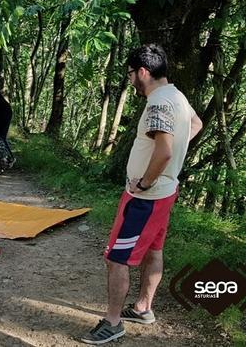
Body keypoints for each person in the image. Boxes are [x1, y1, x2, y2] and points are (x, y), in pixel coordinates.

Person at [81, 44, 203, 345]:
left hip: (146, 199)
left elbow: (162, 152)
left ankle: (113, 323)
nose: (131, 79)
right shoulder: (177, 95)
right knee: (153, 250)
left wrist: (145, 182)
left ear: (143, 72)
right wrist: (174, 156)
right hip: (165, 194)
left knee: (116, 258)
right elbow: (196, 124)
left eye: (131, 74)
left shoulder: (158, 104)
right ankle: (144, 308)